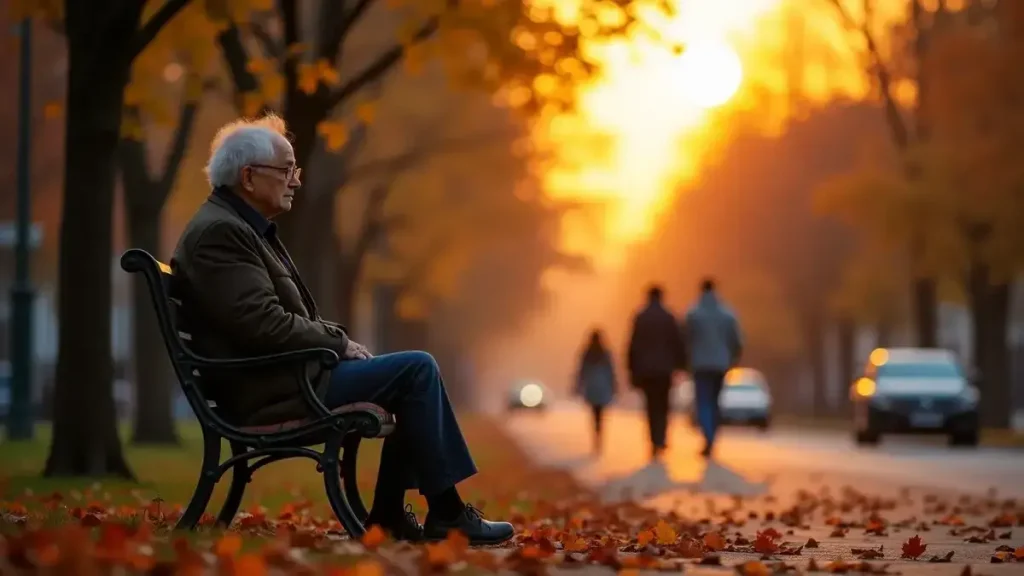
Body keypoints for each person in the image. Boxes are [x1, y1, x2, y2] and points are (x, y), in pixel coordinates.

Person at [170, 114, 513, 545]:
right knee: (416, 370)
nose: (295, 181)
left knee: (409, 375)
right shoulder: (223, 232)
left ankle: (393, 514)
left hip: (279, 379)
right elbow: (262, 324)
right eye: (287, 170)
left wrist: (338, 341)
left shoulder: (236, 227)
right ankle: (445, 513)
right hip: (272, 391)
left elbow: (263, 319)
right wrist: (338, 342)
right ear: (249, 177)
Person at [682, 278, 743, 458]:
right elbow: (737, 341)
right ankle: (712, 437)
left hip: (700, 364)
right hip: (720, 364)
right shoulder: (728, 314)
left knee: (703, 402)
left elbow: (685, 339)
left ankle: (708, 436)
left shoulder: (693, 314)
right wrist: (732, 358)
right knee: (716, 402)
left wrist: (686, 361)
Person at [627, 285, 687, 459]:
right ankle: (661, 437)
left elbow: (633, 346)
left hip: (646, 370)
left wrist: (632, 370)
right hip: (664, 370)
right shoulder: (669, 317)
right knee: (664, 404)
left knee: (651, 406)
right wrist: (681, 365)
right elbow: (678, 343)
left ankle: (654, 439)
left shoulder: (641, 317)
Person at [575, 329, 617, 455]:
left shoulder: (587, 354)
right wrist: (614, 386)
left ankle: (596, 437)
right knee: (600, 414)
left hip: (592, 387)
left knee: (594, 414)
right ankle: (599, 436)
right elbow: (611, 371)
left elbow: (581, 372)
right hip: (603, 387)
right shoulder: (605, 353)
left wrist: (578, 385)